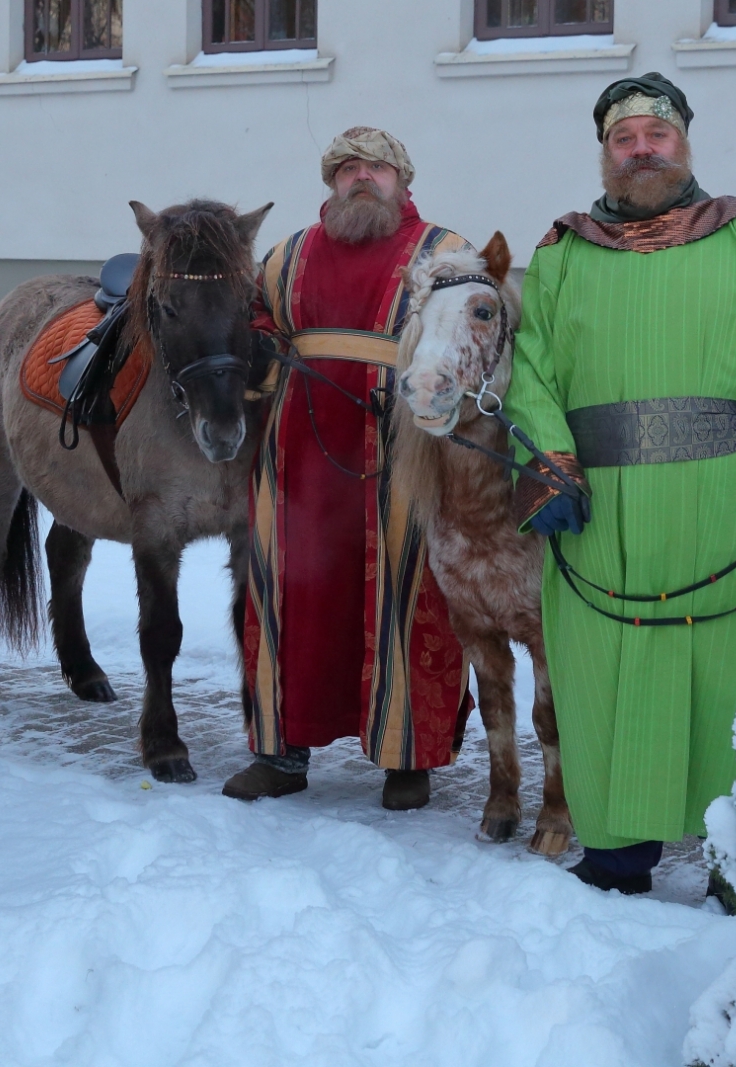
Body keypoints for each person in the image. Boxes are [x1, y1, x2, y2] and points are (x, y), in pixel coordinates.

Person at [505, 74, 736, 893]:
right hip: (602, 519)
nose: (642, 148)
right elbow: (531, 374)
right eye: (625, 138)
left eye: (657, 134)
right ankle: (616, 852)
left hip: (720, 513)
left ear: (683, 143)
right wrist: (550, 468)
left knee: (727, 675)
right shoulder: (562, 253)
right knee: (602, 675)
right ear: (606, 154)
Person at [224, 127, 475, 810]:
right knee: (289, 593)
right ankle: (280, 750)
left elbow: (473, 337)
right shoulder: (288, 255)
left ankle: (408, 758)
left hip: (407, 454)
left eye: (377, 168)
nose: (362, 178)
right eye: (348, 169)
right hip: (298, 457)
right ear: (332, 182)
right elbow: (257, 327)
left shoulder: (446, 253)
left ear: (403, 178)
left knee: (406, 592)